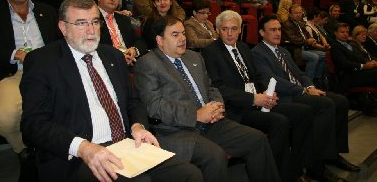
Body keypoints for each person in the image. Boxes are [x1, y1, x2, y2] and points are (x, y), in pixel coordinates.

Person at [20, 0, 203, 182]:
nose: (91, 31)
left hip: (126, 146)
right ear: (63, 27)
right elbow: (33, 124)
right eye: (81, 23)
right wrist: (83, 147)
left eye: (95, 22)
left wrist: (137, 125)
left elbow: (133, 102)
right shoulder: (43, 61)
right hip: (78, 155)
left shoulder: (113, 56)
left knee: (190, 175)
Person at [134, 15, 280, 182]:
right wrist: (195, 115)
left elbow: (211, 87)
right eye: (175, 35)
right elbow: (154, 106)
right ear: (160, 40)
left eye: (183, 33)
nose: (182, 38)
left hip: (211, 122)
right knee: (215, 156)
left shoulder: (194, 57)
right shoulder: (148, 63)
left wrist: (217, 106)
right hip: (178, 130)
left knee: (257, 139)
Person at [202, 10, 313, 181]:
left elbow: (256, 78)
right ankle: (279, 174)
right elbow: (218, 88)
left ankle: (296, 167)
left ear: (240, 30)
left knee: (303, 113)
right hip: (236, 108)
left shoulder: (245, 47)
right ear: (217, 30)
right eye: (224, 29)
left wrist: (268, 93)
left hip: (257, 101)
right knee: (279, 122)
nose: (230, 33)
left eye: (234, 28)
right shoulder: (211, 52)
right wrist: (253, 99)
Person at [0, 0, 60, 182]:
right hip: (13, 74)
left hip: (49, 71)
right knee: (5, 118)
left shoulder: (47, 11)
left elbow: (60, 43)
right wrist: (14, 54)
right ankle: (24, 151)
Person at [252, 15, 358, 181]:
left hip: (301, 90)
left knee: (342, 101)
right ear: (261, 33)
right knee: (325, 105)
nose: (278, 33)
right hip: (286, 96)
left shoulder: (283, 51)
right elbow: (271, 80)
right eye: (273, 30)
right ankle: (317, 165)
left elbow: (300, 73)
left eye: (279, 29)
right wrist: (303, 90)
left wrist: (310, 86)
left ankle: (333, 154)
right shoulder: (257, 53)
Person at [330, 23, 377, 115]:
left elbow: (357, 57)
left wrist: (368, 62)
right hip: (348, 77)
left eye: (347, 32)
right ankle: (369, 106)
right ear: (335, 33)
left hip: (356, 73)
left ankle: (370, 104)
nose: (345, 34)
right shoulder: (336, 46)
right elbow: (344, 64)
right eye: (342, 32)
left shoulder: (346, 44)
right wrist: (363, 66)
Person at [97, 0, 146, 66]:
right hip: (107, 65)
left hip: (131, 62)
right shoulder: (91, 19)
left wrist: (134, 50)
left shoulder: (124, 19)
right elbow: (95, 48)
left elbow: (140, 41)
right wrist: (119, 56)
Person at [282, 4, 325, 81]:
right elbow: (294, 40)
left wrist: (312, 39)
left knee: (323, 55)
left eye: (300, 13)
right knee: (314, 57)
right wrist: (307, 41)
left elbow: (307, 35)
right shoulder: (287, 24)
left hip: (304, 48)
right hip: (294, 50)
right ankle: (308, 82)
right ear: (290, 14)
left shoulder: (300, 23)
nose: (298, 15)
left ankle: (317, 79)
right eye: (296, 13)